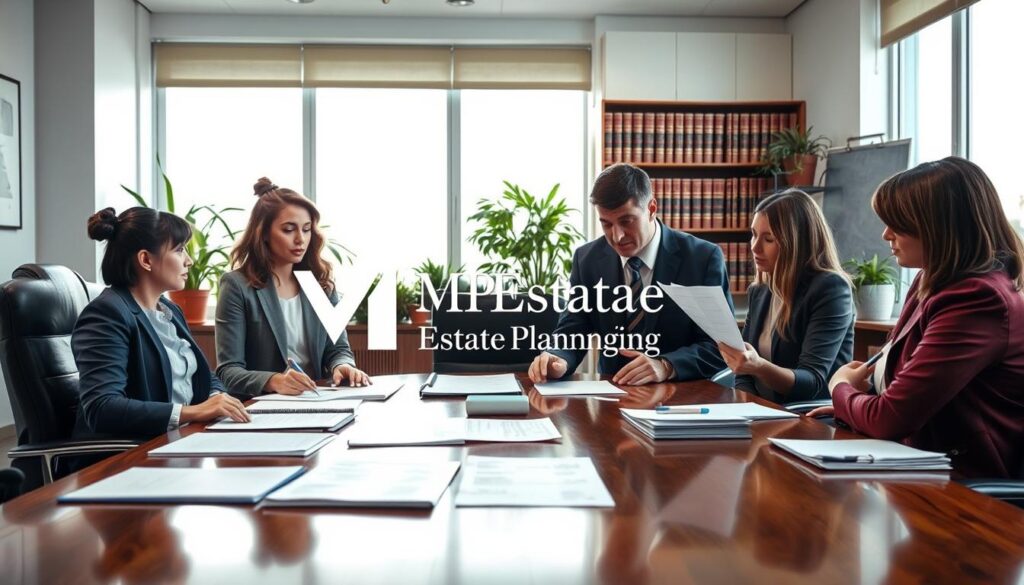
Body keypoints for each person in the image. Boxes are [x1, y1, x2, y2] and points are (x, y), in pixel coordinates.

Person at [814, 157, 1024, 478]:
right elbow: (898, 394)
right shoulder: (931, 280)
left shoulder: (978, 298)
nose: (886, 235)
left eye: (897, 223)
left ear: (938, 226)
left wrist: (840, 388)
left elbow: (889, 418)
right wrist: (854, 407)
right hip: (915, 459)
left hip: (962, 485)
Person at [528, 163, 731, 385]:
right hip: (612, 396)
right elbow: (574, 327)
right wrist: (558, 358)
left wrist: (666, 365)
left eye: (627, 221)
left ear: (652, 209)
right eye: (606, 224)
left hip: (682, 398)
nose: (617, 236)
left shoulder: (702, 258)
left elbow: (721, 347)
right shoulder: (587, 260)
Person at [72, 207, 249, 443]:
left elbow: (204, 376)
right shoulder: (107, 314)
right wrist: (195, 412)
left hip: (181, 440)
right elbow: (102, 408)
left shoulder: (169, 310)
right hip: (132, 454)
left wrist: (217, 399)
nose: (190, 260)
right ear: (146, 259)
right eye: (179, 250)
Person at [216, 177, 369, 397]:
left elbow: (338, 349)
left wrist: (341, 365)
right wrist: (274, 381)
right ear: (264, 233)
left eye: (306, 229)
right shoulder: (237, 286)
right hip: (261, 407)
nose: (301, 239)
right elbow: (228, 371)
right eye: (288, 230)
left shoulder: (320, 282)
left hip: (316, 401)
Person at [718, 189, 854, 404]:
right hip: (764, 412)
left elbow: (812, 382)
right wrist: (746, 405)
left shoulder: (830, 289)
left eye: (768, 239)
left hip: (810, 416)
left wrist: (759, 367)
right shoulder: (759, 290)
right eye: (753, 234)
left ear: (797, 243)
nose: (754, 247)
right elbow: (744, 371)